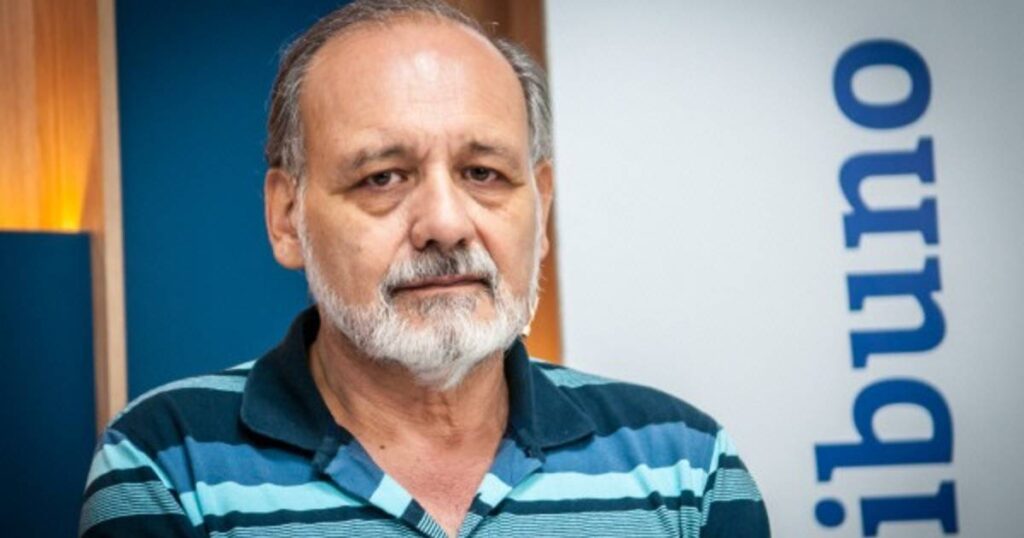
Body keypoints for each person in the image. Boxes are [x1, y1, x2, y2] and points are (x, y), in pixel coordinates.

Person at [79, 1, 770, 536]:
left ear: (541, 207)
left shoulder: (687, 467)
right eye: (383, 177)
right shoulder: (167, 465)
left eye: (483, 172)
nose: (445, 223)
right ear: (287, 218)